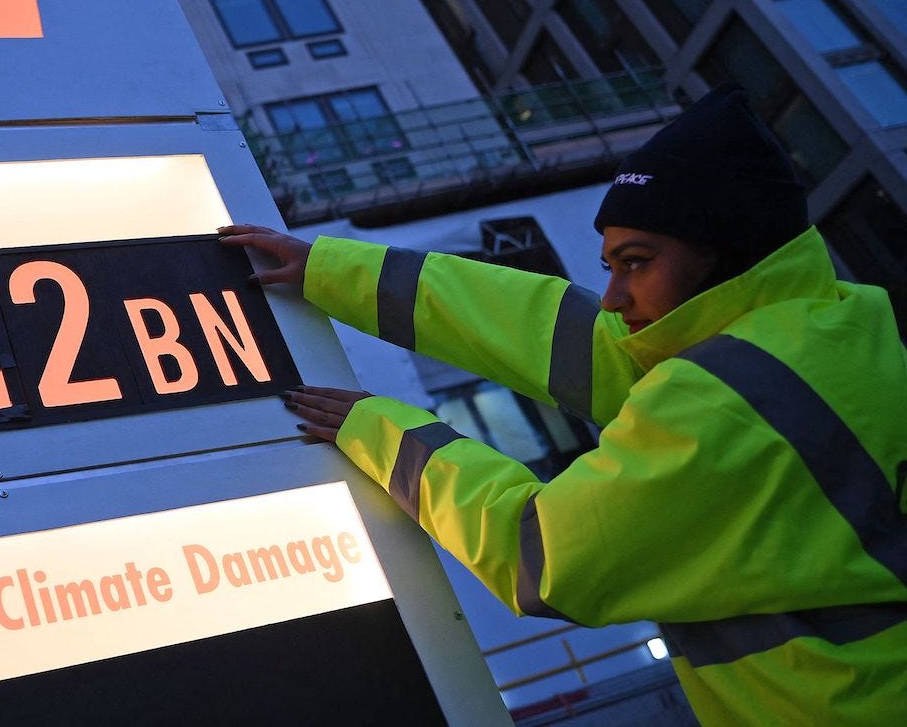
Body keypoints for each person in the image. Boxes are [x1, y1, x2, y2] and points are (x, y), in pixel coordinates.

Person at [219, 85, 907, 725]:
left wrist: (379, 426)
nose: (613, 297)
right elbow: (551, 328)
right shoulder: (833, 327)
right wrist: (330, 270)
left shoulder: (725, 400)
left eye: (635, 261)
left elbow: (542, 554)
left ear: (724, 250)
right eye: (610, 266)